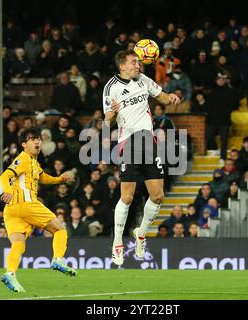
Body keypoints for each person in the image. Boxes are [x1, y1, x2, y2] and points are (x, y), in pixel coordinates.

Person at [103, 49, 180, 266]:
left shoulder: (143, 79)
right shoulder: (111, 88)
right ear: (122, 66)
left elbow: (161, 96)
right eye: (134, 62)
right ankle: (117, 242)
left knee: (157, 196)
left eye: (138, 61)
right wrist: (111, 113)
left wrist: (171, 97)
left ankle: (141, 234)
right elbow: (107, 121)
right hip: (128, 143)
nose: (138, 65)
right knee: (127, 197)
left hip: (149, 142)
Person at [0, 128, 77, 293]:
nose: (37, 141)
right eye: (32, 139)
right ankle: (57, 259)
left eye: (39, 138)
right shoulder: (23, 159)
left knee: (18, 245)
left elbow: (42, 177)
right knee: (60, 231)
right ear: (24, 144)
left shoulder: (34, 162)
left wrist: (58, 179)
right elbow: (4, 176)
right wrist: (7, 191)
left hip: (11, 210)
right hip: (26, 204)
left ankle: (10, 273)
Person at [205, 74, 237, 161]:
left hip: (224, 120)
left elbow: (234, 104)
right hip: (212, 119)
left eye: (222, 79)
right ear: (216, 81)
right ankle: (213, 149)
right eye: (219, 79)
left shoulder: (229, 91)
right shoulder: (212, 91)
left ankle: (223, 157)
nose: (221, 81)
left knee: (224, 140)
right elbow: (208, 105)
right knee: (208, 136)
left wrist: (227, 112)